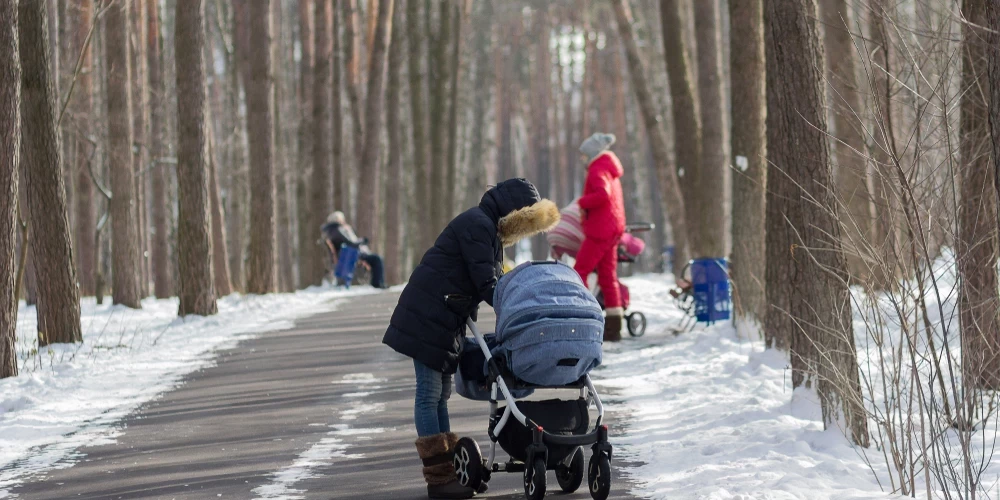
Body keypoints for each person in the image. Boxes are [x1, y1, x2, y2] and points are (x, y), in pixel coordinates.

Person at [382, 179, 559, 499]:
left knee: (439, 395)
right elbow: (487, 281)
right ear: (512, 212)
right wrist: (517, 308)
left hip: (446, 316)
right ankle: (439, 479)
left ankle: (453, 470)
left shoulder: (487, 228)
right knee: (429, 393)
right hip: (429, 315)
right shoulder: (477, 225)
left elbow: (494, 278)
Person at [575, 132, 627, 342]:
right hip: (613, 229)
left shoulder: (597, 169)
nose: (582, 159)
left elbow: (602, 194)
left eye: (584, 155)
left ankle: (584, 317)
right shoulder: (609, 168)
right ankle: (614, 327)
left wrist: (582, 202)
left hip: (600, 230)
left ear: (592, 153)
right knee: (608, 276)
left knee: (580, 271)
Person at [321, 211, 387, 289]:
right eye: (342, 219)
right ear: (338, 220)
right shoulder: (338, 229)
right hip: (349, 256)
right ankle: (377, 283)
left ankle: (377, 282)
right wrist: (362, 241)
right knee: (377, 259)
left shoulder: (331, 230)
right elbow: (350, 243)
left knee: (375, 258)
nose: (343, 221)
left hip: (347, 255)